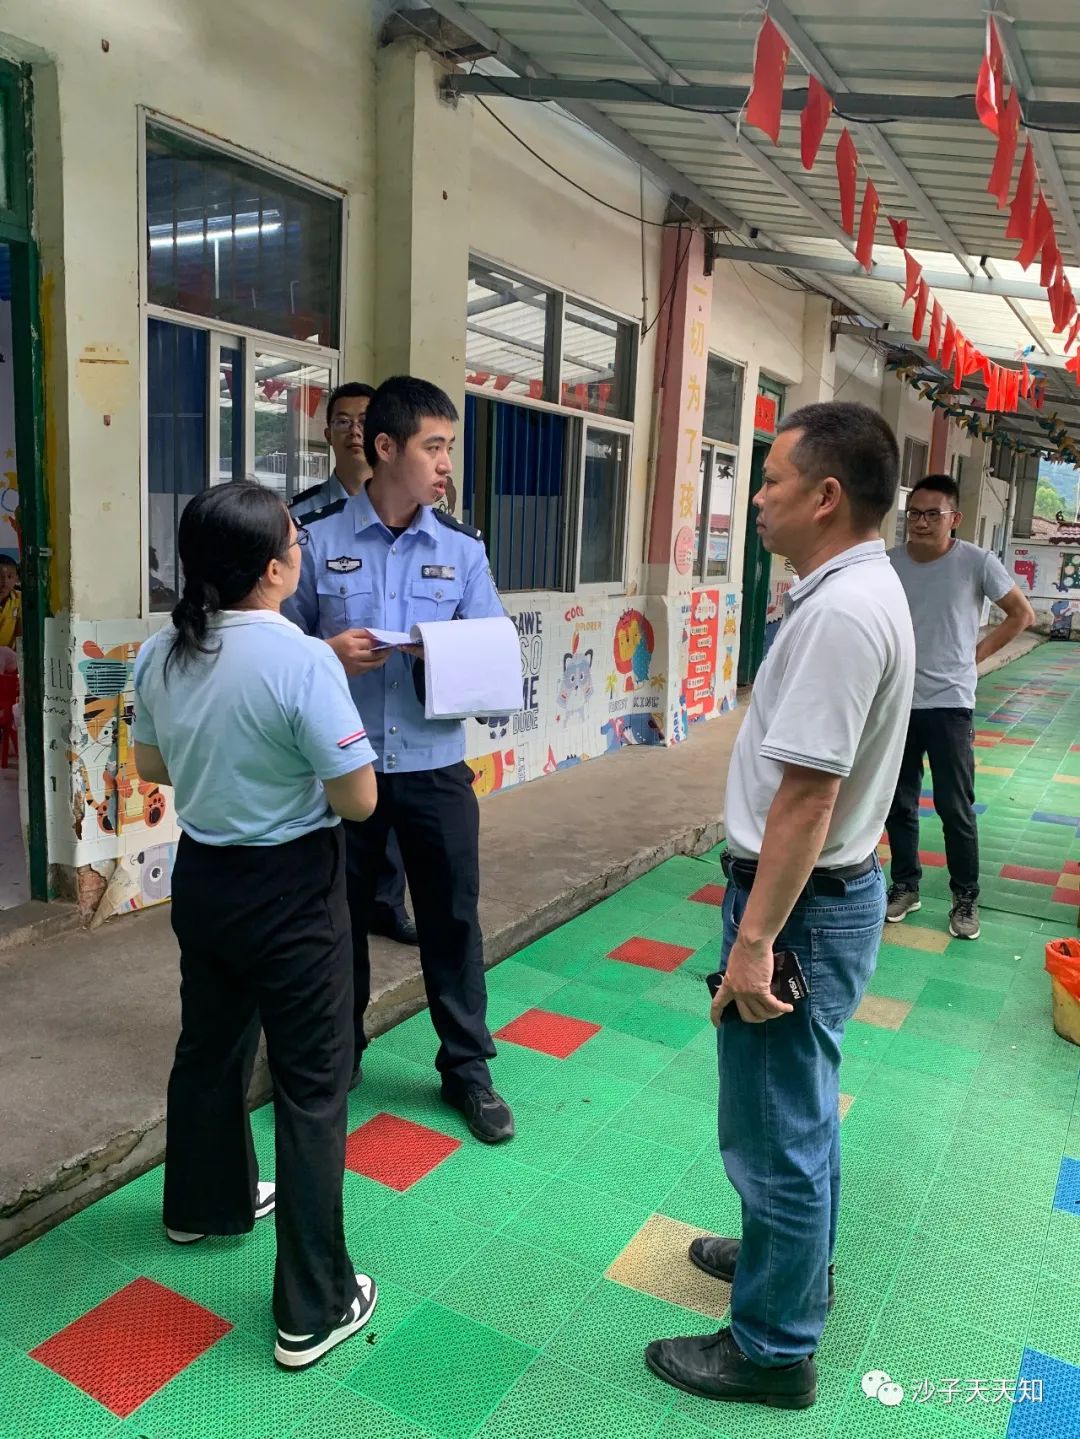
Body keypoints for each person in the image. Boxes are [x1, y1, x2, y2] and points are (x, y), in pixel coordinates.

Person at [645, 403, 915, 1411]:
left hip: (798, 904)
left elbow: (809, 795)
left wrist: (754, 940)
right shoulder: (851, 590)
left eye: (770, 479)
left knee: (775, 1127)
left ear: (826, 495)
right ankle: (792, 1265)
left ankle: (771, 1347)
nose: (755, 496)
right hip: (825, 893)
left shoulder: (844, 611)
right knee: (797, 1112)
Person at [133, 481, 380, 1370]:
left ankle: (200, 1205)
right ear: (275, 568)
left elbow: (149, 762)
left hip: (204, 880)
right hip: (291, 889)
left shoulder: (163, 651)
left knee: (210, 1047)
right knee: (313, 1088)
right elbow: (358, 800)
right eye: (297, 544)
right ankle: (314, 1306)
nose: (304, 553)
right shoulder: (303, 659)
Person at [284, 375, 514, 1144]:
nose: (447, 462)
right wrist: (326, 652)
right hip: (341, 769)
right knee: (334, 919)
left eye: (449, 446)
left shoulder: (462, 550)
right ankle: (338, 1053)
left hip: (433, 766)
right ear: (384, 448)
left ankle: (467, 1069)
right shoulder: (314, 540)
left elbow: (490, 661)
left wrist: (427, 654)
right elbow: (275, 648)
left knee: (451, 916)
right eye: (435, 446)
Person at [291, 381, 417, 948]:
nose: (354, 430)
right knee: (345, 821)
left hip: (402, 704)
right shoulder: (304, 519)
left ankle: (389, 906)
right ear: (328, 434)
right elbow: (284, 621)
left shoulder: (417, 512)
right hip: (336, 699)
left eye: (363, 419)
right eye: (342, 421)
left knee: (390, 812)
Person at [885, 474, 1035, 940]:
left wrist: (975, 656)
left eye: (933, 514)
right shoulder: (887, 564)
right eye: (914, 513)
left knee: (955, 807)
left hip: (949, 704)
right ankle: (905, 886)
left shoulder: (976, 562)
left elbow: (1021, 615)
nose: (922, 522)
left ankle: (964, 897)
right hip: (895, 702)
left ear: (955, 518)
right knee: (898, 803)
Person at [0, 557, 21, 649]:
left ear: (16, 578)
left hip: (9, 658)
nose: (5, 582)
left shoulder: (19, 599)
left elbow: (20, 633)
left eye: (10, 576)